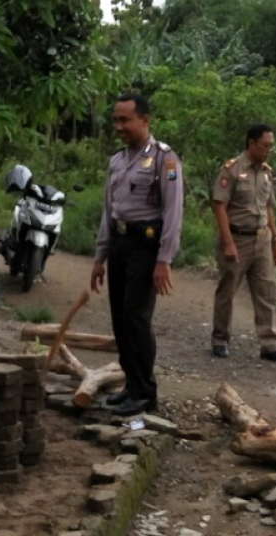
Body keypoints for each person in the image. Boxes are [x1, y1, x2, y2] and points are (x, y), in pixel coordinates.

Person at [90, 94, 184, 416]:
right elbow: (109, 210)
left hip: (145, 247)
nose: (119, 127)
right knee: (120, 319)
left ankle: (145, 393)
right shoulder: (117, 160)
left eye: (125, 120)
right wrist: (100, 256)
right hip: (119, 243)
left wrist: (164, 259)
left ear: (144, 120)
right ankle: (130, 385)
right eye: (116, 120)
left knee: (137, 318)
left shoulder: (164, 159)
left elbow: (173, 212)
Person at [210, 124, 276, 363]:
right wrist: (227, 242)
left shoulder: (266, 172)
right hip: (237, 237)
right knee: (228, 289)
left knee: (267, 291)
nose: (269, 150)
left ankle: (269, 344)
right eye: (265, 145)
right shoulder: (233, 169)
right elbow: (219, 206)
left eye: (271, 146)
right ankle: (220, 339)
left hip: (262, 238)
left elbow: (268, 207)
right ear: (252, 143)